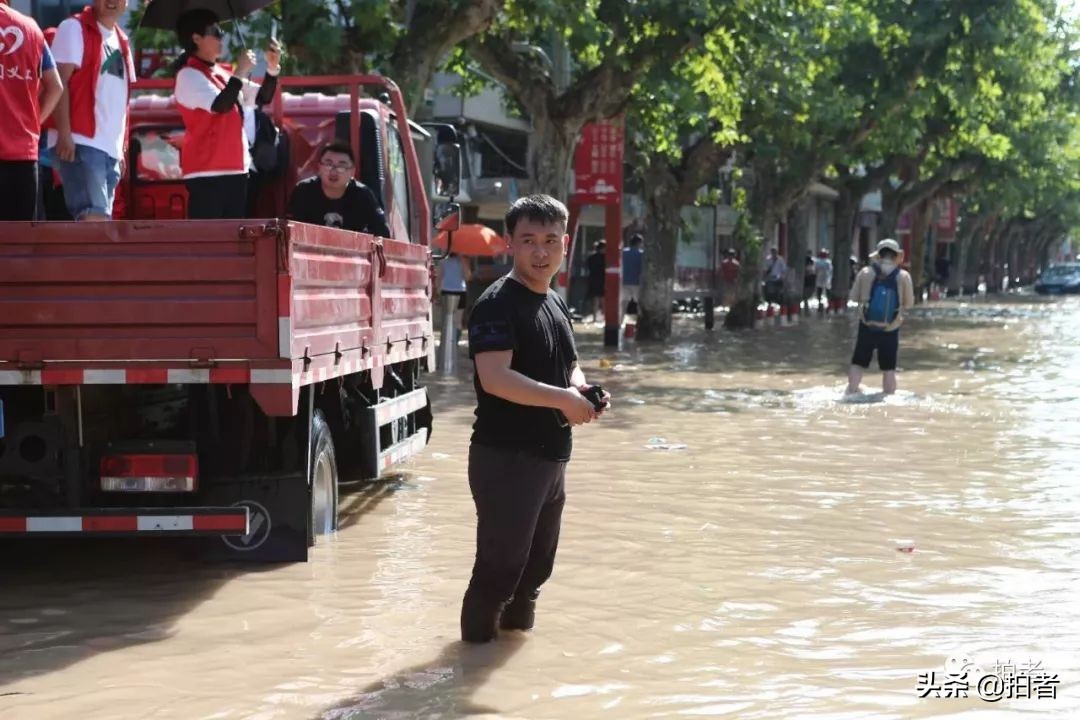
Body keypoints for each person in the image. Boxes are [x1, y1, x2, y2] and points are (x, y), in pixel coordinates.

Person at [461, 194, 610, 643]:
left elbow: (569, 364)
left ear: (566, 243)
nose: (540, 252)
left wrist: (580, 389)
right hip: (506, 457)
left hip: (550, 458)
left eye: (550, 240)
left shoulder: (555, 302)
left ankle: (511, 659)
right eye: (528, 240)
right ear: (510, 243)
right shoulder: (496, 304)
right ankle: (471, 664)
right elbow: (495, 378)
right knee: (499, 573)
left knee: (534, 572)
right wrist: (562, 400)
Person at [174, 9, 280, 219]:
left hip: (236, 169)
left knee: (234, 235)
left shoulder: (222, 74)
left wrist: (272, 67)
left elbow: (263, 97)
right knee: (209, 236)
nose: (222, 37)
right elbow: (220, 105)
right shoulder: (188, 75)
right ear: (196, 38)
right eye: (216, 32)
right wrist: (240, 71)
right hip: (207, 172)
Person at [48, 0, 135, 221]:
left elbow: (121, 99)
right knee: (93, 219)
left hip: (110, 149)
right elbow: (58, 83)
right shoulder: (73, 28)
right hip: (82, 142)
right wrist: (64, 133)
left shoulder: (122, 40)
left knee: (98, 221)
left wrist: (121, 148)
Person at [0, 1, 62, 221]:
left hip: (22, 153)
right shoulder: (31, 28)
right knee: (20, 239)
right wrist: (33, 124)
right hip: (24, 158)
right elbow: (56, 87)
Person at [846, 239, 915, 395]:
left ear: (878, 255)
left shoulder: (865, 273)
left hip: (866, 325)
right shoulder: (903, 276)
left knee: (858, 363)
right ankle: (888, 397)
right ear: (896, 256)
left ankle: (851, 391)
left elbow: (853, 297)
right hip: (891, 327)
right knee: (889, 368)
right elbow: (909, 304)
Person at [287, 141, 391, 236]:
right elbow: (290, 229)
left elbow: (382, 233)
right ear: (319, 167)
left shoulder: (363, 195)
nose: (333, 172)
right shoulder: (303, 191)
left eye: (341, 166)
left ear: (352, 172)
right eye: (328, 164)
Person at [439, 252, 472, 342]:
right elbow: (468, 277)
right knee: (451, 320)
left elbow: (468, 277)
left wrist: (462, 261)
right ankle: (450, 342)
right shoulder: (444, 262)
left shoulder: (462, 261)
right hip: (452, 291)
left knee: (454, 320)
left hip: (455, 291)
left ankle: (452, 342)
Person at [621, 234, 644, 318]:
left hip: (624, 280)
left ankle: (621, 319)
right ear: (639, 243)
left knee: (624, 302)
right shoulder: (641, 254)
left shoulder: (623, 252)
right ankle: (640, 319)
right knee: (639, 302)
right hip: (637, 281)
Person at [585, 240, 606, 322]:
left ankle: (594, 318)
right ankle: (604, 318)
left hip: (593, 279)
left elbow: (588, 266)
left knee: (595, 299)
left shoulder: (591, 257)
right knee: (603, 299)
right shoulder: (605, 257)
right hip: (603, 279)